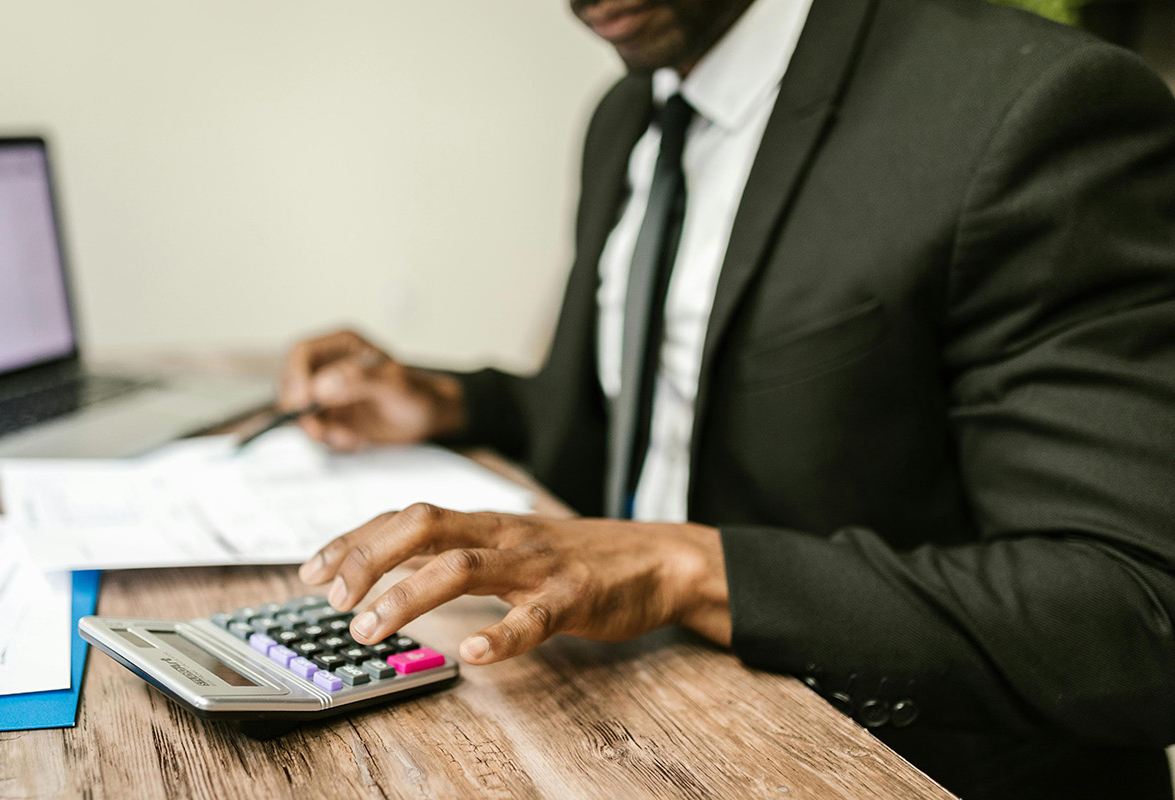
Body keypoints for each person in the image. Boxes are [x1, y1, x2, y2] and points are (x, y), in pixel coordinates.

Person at [278, 0, 1175, 796]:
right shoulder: (629, 111)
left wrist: (689, 565)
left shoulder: (1030, 107)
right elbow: (658, 413)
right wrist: (448, 401)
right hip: (636, 721)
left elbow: (1134, 612)